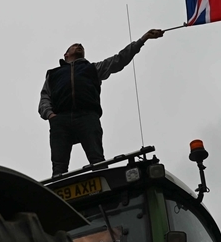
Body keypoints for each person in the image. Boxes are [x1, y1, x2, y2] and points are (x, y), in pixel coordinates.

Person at [39, 29, 164, 177]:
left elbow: (119, 59)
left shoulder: (93, 68)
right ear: (66, 55)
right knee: (59, 168)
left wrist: (143, 39)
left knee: (98, 161)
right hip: (60, 120)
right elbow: (45, 96)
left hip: (87, 116)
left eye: (81, 46)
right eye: (74, 45)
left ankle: (105, 188)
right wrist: (50, 115)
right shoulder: (53, 74)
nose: (79, 45)